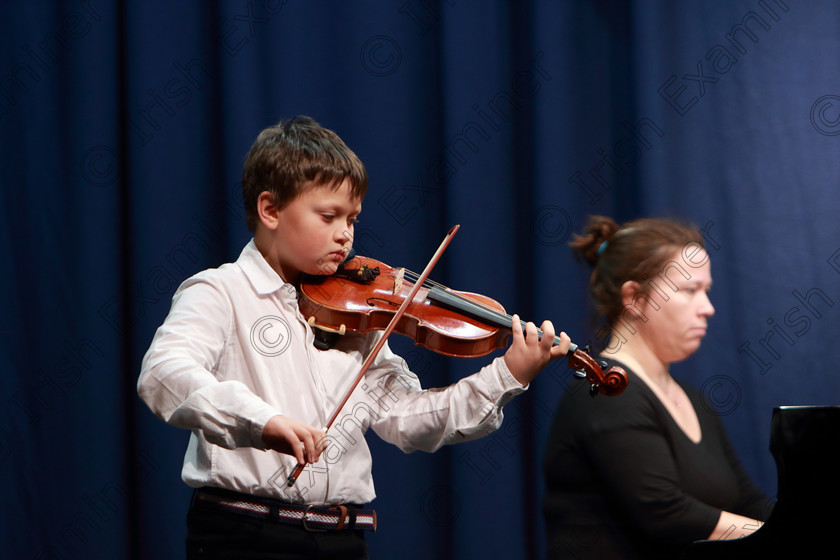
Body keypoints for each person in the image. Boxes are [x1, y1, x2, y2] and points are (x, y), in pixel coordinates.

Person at [137, 115, 570, 560]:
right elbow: (164, 374)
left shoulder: (352, 312)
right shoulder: (220, 291)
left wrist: (507, 374)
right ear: (269, 210)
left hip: (343, 540)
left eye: (352, 218)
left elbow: (408, 419)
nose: (345, 234)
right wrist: (261, 422)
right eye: (328, 216)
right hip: (245, 535)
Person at [542, 215, 772, 560]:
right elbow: (667, 514)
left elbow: (747, 501)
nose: (708, 308)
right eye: (689, 290)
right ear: (634, 297)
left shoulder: (692, 398)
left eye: (706, 291)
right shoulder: (606, 392)